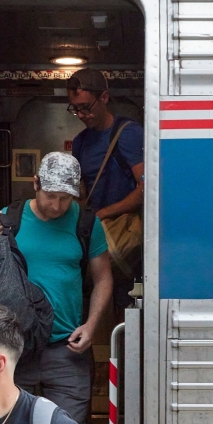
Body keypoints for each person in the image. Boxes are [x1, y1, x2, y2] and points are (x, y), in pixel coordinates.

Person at [0, 152, 113, 424]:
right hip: (14, 347)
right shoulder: (10, 219)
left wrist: (92, 326)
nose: (57, 206)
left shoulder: (87, 224)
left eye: (65, 198)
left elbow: (103, 279)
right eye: (50, 195)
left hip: (67, 348)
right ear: (35, 184)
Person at [66, 69, 144, 312]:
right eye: (74, 108)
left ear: (104, 98)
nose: (81, 114)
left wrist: (102, 214)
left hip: (127, 233)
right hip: (98, 235)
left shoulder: (128, 133)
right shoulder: (80, 142)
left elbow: (147, 189)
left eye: (85, 106)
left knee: (125, 303)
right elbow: (80, 190)